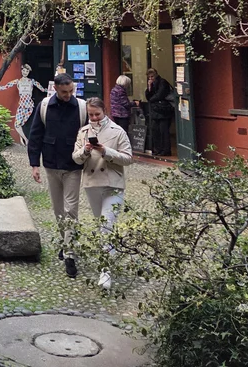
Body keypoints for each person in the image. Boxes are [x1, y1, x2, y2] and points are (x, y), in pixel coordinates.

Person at [27, 73, 87, 278]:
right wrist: (34, 164)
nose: (68, 95)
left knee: (71, 210)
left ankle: (69, 254)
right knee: (58, 210)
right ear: (56, 90)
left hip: (73, 165)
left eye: (71, 91)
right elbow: (35, 135)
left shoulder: (81, 108)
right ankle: (66, 241)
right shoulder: (45, 107)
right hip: (51, 164)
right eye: (64, 92)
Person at [72, 97, 133, 290]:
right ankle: (108, 258)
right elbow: (75, 158)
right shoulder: (83, 132)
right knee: (102, 226)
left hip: (113, 184)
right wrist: (85, 151)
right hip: (92, 184)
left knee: (107, 226)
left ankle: (105, 271)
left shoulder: (117, 131)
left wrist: (106, 151)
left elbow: (128, 158)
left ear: (104, 111)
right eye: (90, 115)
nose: (94, 118)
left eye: (97, 114)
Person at [0, 64, 47, 145]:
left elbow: (42, 89)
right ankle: (25, 140)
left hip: (29, 105)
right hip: (22, 104)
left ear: (28, 72)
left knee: (19, 124)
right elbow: (5, 86)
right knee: (18, 124)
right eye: (24, 70)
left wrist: (51, 90)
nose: (25, 72)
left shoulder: (31, 81)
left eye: (27, 71)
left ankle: (25, 140)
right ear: (21, 71)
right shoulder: (18, 81)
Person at [145, 68, 174, 157]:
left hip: (164, 110)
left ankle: (165, 150)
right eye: (149, 77)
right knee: (155, 130)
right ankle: (158, 149)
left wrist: (151, 99)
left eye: (152, 76)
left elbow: (160, 94)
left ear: (156, 75)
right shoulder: (152, 84)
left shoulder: (162, 82)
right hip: (156, 110)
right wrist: (149, 88)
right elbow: (148, 96)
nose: (151, 79)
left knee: (163, 131)